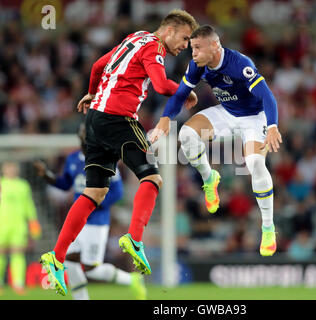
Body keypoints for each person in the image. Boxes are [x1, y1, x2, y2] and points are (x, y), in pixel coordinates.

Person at [39, 9, 199, 296]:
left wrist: (90, 93)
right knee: (152, 177)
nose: (185, 46)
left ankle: (56, 257)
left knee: (94, 193)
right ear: (170, 30)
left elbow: (98, 66)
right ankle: (135, 239)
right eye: (185, 38)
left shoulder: (135, 37)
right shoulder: (154, 46)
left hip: (94, 120)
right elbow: (162, 85)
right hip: (119, 118)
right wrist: (184, 90)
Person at [151, 25, 282, 257]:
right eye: (191, 48)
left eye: (197, 48)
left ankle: (268, 227)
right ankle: (209, 177)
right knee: (186, 135)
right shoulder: (197, 66)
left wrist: (272, 126)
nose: (193, 53)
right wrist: (164, 120)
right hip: (227, 113)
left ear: (214, 46)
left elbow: (267, 95)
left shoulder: (240, 64)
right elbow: (180, 94)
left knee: (255, 165)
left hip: (254, 118)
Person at [34, 123, 146, 300]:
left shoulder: (105, 159)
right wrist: (47, 175)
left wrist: (94, 203)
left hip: (97, 222)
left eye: (88, 136)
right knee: (69, 260)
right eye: (83, 136)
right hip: (77, 222)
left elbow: (117, 192)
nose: (85, 139)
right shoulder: (72, 159)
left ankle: (131, 280)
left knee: (92, 269)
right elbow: (65, 184)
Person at [0, 161, 41, 295]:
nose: (11, 170)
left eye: (13, 168)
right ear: (4, 170)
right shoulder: (1, 183)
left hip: (19, 226)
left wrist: (33, 221)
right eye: (8, 168)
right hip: (2, 224)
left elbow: (28, 205)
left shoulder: (23, 185)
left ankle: (18, 283)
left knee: (17, 254)